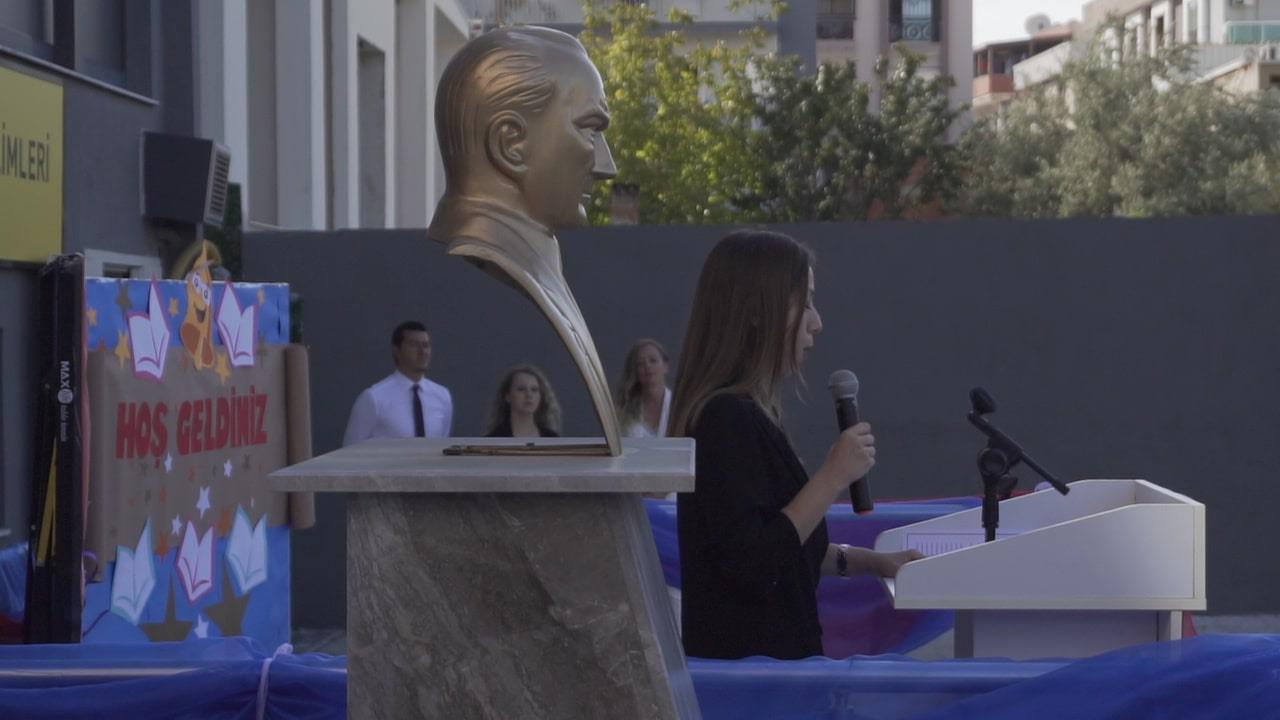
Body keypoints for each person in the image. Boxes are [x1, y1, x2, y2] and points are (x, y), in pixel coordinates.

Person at [669, 230, 922, 660]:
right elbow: (755, 561)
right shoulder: (724, 421)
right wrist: (832, 477)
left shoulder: (747, 413)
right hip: (757, 677)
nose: (816, 322)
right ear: (756, 311)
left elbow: (786, 543)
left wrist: (874, 563)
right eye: (803, 303)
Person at [428, 26, 623, 454]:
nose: (606, 166)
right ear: (510, 144)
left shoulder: (543, 258)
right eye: (590, 131)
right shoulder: (515, 257)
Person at [343, 321, 453, 445]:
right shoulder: (373, 398)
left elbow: (442, 443)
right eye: (414, 345)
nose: (422, 352)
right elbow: (350, 448)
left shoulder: (442, 396)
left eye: (426, 345)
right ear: (396, 350)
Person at [615, 339, 672, 438]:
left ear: (665, 366)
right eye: (640, 363)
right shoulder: (623, 410)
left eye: (653, 360)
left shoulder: (678, 405)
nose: (647, 366)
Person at [485, 365, 562, 438]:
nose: (529, 395)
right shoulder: (493, 439)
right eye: (521, 389)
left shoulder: (552, 438)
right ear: (508, 397)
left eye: (534, 390)